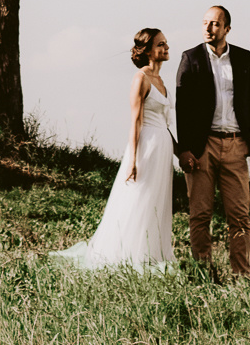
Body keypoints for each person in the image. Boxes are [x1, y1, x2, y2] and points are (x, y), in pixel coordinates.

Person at [52, 27, 177, 272]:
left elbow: (165, 122)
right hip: (147, 147)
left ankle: (153, 252)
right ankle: (128, 254)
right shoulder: (140, 79)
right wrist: (132, 159)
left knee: (157, 202)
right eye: (161, 44)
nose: (166, 48)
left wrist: (178, 152)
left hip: (163, 149)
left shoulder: (161, 81)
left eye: (166, 43)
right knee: (140, 197)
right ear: (149, 51)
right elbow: (136, 121)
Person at [175, 4, 250, 278]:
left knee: (240, 217)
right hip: (202, 147)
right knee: (200, 214)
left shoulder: (243, 58)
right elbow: (182, 109)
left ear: (227, 28)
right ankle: (203, 273)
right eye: (205, 23)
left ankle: (242, 276)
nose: (208, 28)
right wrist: (185, 149)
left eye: (215, 24)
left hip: (236, 145)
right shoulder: (190, 58)